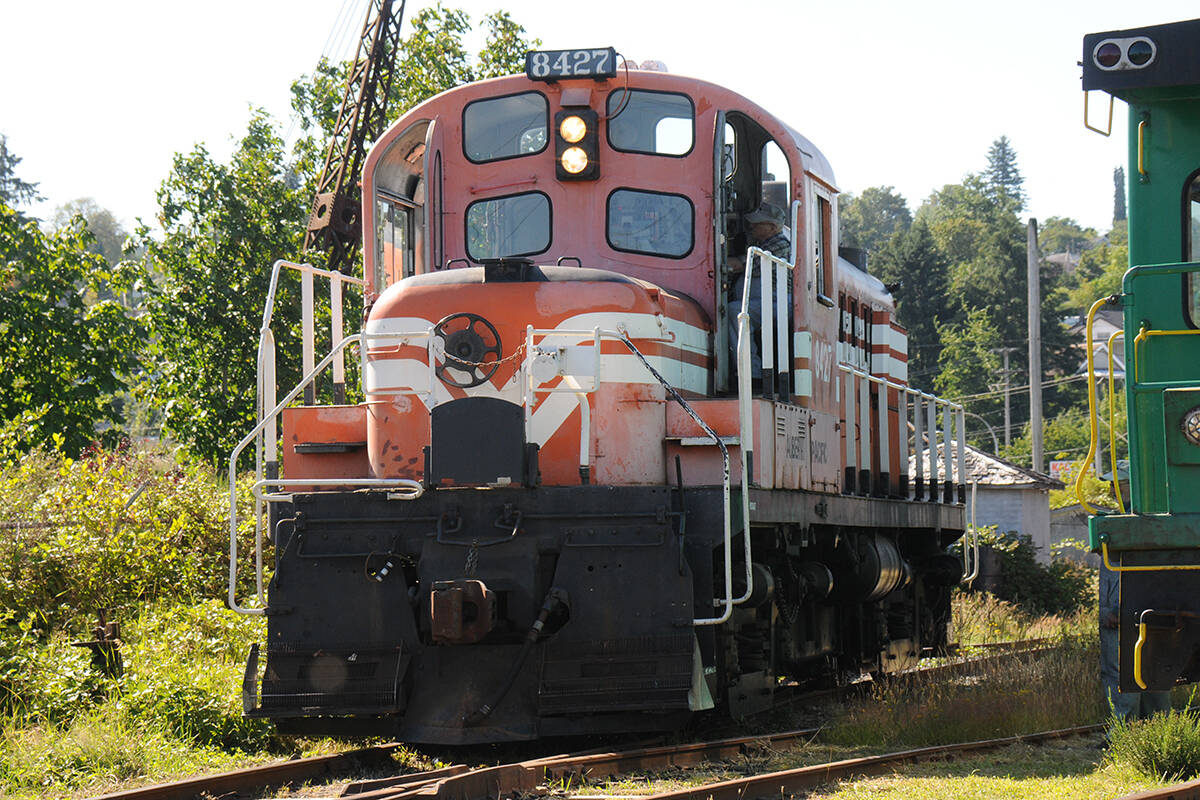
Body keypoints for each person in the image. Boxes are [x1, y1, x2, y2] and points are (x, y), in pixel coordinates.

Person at [1100, 559, 1172, 720]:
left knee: (1121, 668)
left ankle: (1125, 731)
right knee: (1155, 666)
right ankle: (1158, 726)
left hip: (1124, 598)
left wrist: (1116, 609)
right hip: (1161, 599)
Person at [727, 202, 791, 382]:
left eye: (758, 223)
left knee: (735, 313)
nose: (752, 227)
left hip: (777, 302)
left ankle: (752, 373)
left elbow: (740, 265)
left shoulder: (778, 245)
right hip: (763, 300)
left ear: (772, 227)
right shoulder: (763, 243)